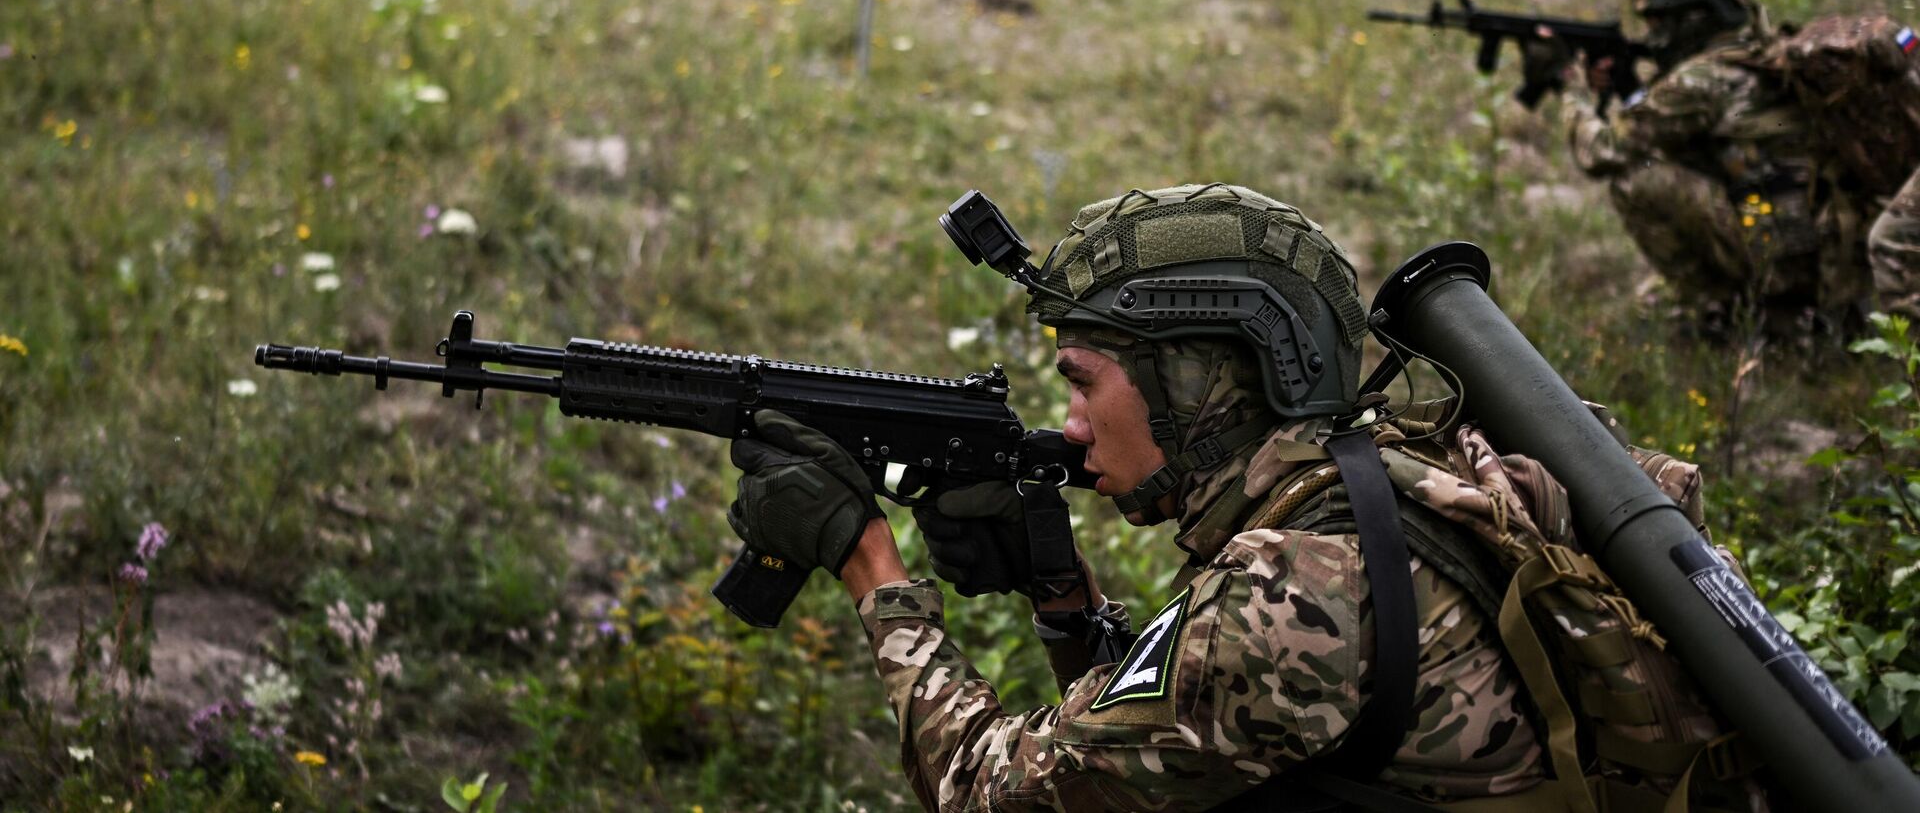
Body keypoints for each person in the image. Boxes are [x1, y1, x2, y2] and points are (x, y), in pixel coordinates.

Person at [724, 184, 1767, 810]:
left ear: (1199, 382)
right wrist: (1064, 599)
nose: (1072, 424)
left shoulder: (1288, 591)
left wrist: (871, 562)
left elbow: (997, 793)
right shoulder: (1408, 459)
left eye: (1083, 382)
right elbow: (1183, 744)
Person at [1534, 0, 1920, 329]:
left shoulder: (1701, 80)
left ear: (1696, 18)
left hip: (1783, 254)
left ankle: (1715, 310)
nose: (1654, 40)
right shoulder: (1765, 53)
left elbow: (1603, 151)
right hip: (1827, 245)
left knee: (1634, 179)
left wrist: (1573, 90)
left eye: (1661, 25)